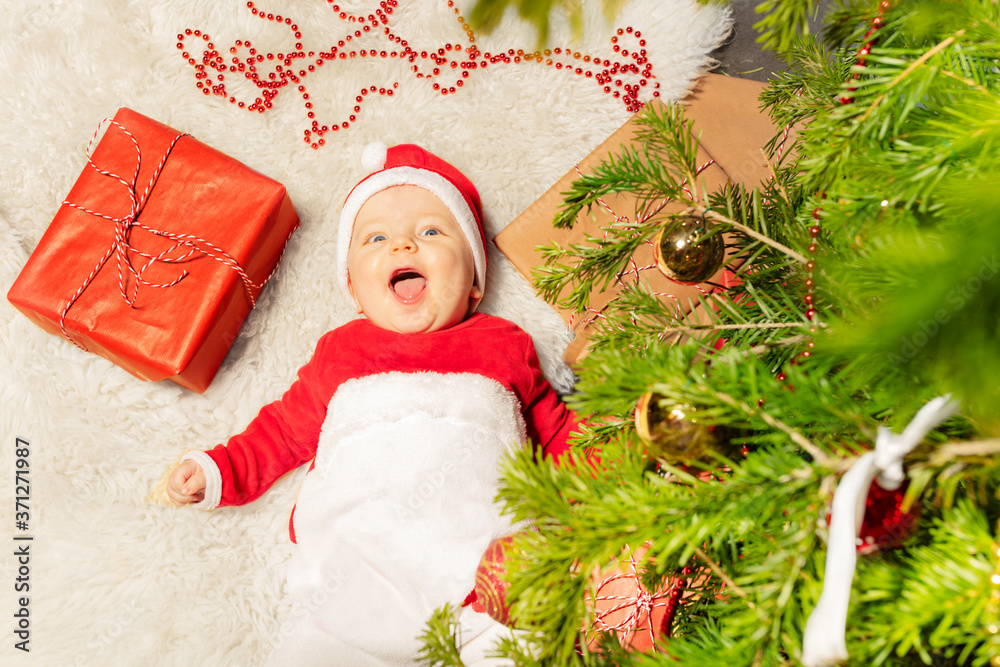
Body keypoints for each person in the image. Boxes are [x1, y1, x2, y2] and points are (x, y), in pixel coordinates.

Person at [166, 143, 582, 666]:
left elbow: (561, 437)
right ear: (355, 292)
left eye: (432, 231)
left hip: (485, 589)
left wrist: (625, 466)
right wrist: (222, 469)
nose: (403, 244)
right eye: (376, 238)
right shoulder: (341, 351)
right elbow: (285, 430)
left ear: (475, 281)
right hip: (349, 588)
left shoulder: (504, 345)